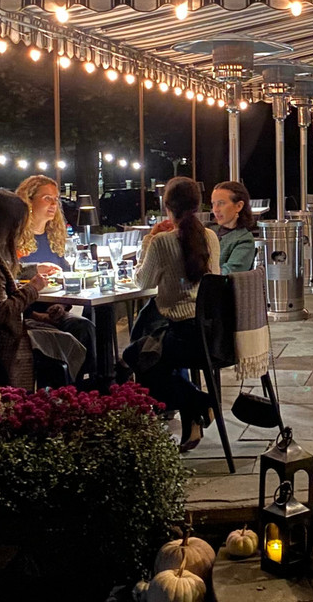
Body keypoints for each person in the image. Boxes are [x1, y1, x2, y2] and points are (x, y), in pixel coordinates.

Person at [0, 189, 87, 389]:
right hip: (1, 344)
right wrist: (33, 288)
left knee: (78, 326)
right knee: (73, 337)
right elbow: (1, 312)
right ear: (5, 226)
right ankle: (72, 394)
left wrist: (38, 313)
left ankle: (78, 390)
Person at [123, 177, 221, 451]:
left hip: (184, 336)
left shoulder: (162, 242)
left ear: (166, 206)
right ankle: (192, 419)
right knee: (154, 354)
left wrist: (149, 240)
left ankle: (202, 401)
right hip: (214, 334)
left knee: (136, 356)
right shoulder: (210, 237)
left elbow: (142, 283)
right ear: (197, 205)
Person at [15, 175, 101, 390]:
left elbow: (65, 278)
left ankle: (84, 387)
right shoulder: (14, 239)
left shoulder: (54, 239)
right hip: (27, 313)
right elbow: (11, 278)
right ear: (29, 201)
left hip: (56, 309)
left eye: (56, 199)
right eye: (47, 198)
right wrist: (36, 270)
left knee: (88, 322)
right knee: (83, 328)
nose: (54, 204)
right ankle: (71, 391)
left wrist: (62, 306)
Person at [209, 180, 257, 274]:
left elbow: (228, 274)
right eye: (213, 203)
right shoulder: (208, 229)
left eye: (221, 203)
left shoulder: (244, 239)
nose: (215, 209)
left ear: (239, 206)